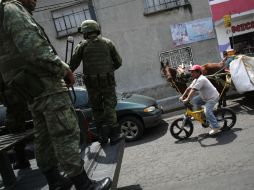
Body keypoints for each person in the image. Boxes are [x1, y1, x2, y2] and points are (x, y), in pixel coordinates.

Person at [0, 0, 112, 189]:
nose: (35, 1)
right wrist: (63, 69)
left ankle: (55, 181)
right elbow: (35, 49)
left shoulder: (3, 12)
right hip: (45, 83)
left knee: (43, 136)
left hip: (30, 87)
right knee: (65, 131)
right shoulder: (13, 9)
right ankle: (83, 184)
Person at [69, 19, 124, 145]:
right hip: (108, 82)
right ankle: (115, 135)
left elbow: (72, 65)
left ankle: (102, 136)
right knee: (109, 107)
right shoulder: (108, 43)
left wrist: (65, 75)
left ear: (86, 32)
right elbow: (119, 62)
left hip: (92, 84)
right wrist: (108, 71)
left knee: (97, 109)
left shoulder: (82, 45)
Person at [0, 74, 31, 170]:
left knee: (13, 125)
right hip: (20, 100)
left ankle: (22, 160)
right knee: (15, 126)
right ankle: (22, 159)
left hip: (16, 103)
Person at [179, 65, 221, 135]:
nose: (191, 74)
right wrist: (182, 96)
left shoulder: (201, 79)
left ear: (198, 72)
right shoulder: (196, 79)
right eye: (191, 72)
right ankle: (202, 117)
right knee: (195, 100)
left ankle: (216, 127)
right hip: (205, 97)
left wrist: (187, 99)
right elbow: (189, 88)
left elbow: (193, 90)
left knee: (207, 111)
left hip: (212, 98)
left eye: (193, 72)